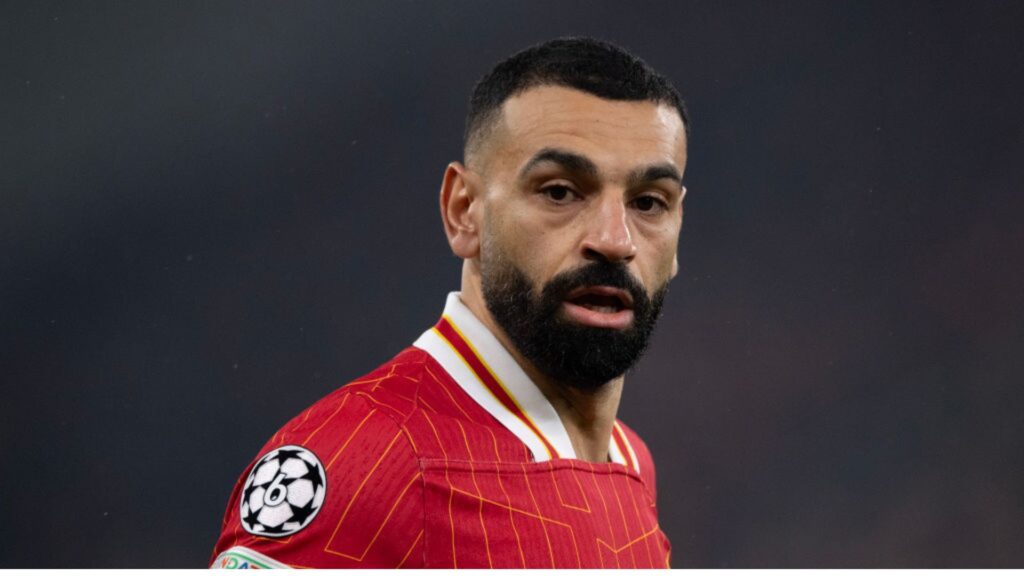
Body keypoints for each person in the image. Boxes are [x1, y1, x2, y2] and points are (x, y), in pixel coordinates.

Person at [210, 36, 689, 569]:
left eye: (649, 202)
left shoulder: (631, 461)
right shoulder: (354, 465)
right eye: (559, 191)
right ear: (464, 211)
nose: (615, 240)